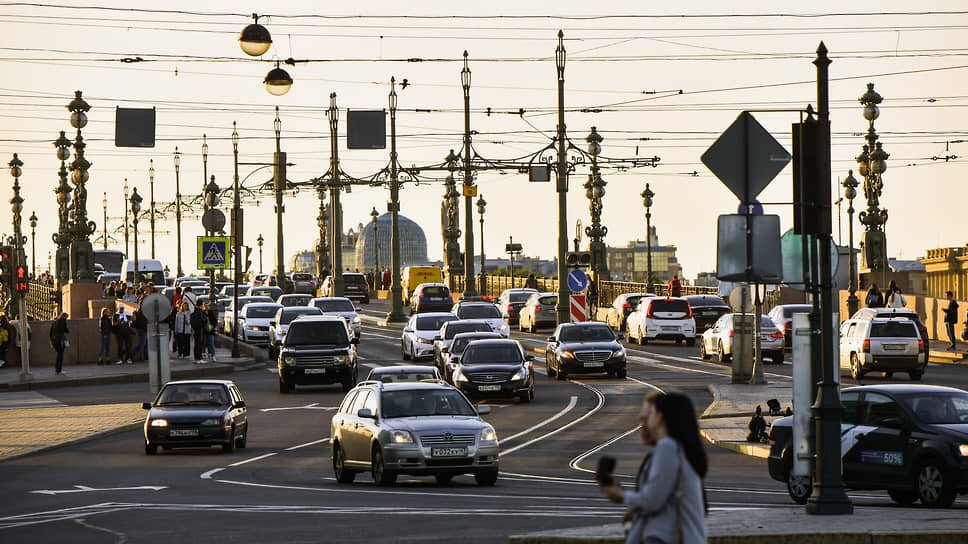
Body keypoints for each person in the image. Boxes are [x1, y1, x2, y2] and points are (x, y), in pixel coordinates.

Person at [600, 391, 707, 544]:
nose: (644, 424)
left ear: (659, 417)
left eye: (649, 416)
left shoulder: (668, 447)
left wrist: (621, 495)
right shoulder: (681, 450)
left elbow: (652, 500)